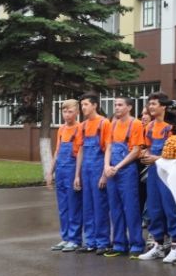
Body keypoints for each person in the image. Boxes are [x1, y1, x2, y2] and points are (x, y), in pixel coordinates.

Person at [138, 92, 176, 264]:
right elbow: (146, 147)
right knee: (154, 208)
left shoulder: (173, 127)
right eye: (149, 104)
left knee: (171, 208)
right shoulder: (150, 127)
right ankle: (158, 245)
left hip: (170, 173)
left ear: (163, 107)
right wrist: (145, 154)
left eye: (154, 104)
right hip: (153, 172)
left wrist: (156, 158)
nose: (151, 107)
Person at [103, 97, 145, 258]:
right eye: (115, 105)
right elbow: (109, 147)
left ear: (129, 107)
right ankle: (119, 243)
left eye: (120, 105)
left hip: (126, 171)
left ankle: (136, 244)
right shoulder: (112, 124)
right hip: (112, 171)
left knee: (131, 208)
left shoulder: (136, 124)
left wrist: (117, 167)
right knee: (115, 209)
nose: (117, 108)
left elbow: (135, 151)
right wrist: (107, 166)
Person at [74, 93, 111, 254]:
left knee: (100, 206)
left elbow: (108, 148)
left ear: (95, 105)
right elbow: (81, 149)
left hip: (98, 168)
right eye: (82, 105)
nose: (83, 108)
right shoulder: (82, 125)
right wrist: (77, 175)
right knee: (87, 207)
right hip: (86, 170)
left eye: (86, 104)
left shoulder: (104, 123)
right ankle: (90, 241)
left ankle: (102, 242)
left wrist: (104, 174)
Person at [48, 100, 82, 251]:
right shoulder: (61, 129)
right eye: (64, 112)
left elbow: (81, 152)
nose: (67, 115)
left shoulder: (80, 128)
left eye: (70, 112)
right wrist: (50, 171)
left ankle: (75, 239)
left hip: (72, 168)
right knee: (63, 207)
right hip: (61, 170)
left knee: (74, 205)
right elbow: (57, 150)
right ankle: (65, 237)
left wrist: (77, 175)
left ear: (77, 113)